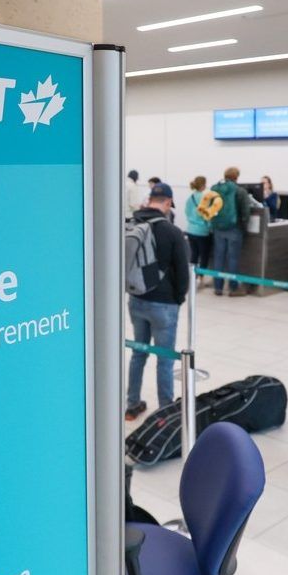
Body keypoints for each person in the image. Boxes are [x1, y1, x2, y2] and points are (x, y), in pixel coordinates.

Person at [125, 183, 190, 420]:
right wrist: (179, 298)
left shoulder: (133, 223)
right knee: (164, 358)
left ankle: (131, 405)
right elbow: (183, 270)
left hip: (136, 299)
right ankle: (165, 411)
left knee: (138, 352)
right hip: (164, 304)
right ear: (167, 203)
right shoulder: (171, 231)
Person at [209, 167, 249, 297]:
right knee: (233, 258)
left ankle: (218, 287)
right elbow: (245, 212)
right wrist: (244, 227)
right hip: (234, 228)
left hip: (218, 227)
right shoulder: (240, 191)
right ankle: (233, 288)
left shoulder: (215, 189)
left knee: (219, 257)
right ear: (236, 177)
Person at [185, 175, 212, 288]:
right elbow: (209, 215)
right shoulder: (206, 198)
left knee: (194, 254)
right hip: (202, 231)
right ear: (204, 184)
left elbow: (187, 213)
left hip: (190, 230)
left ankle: (192, 277)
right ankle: (201, 278)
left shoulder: (190, 197)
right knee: (204, 255)